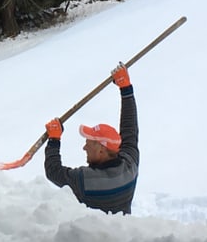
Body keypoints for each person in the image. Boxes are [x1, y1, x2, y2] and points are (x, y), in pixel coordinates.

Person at [43, 62, 139, 215]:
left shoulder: (85, 181)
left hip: (91, 238)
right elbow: (130, 130)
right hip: (122, 233)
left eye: (89, 143)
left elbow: (53, 172)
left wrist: (54, 140)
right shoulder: (130, 166)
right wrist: (126, 89)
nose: (84, 147)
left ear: (101, 150)